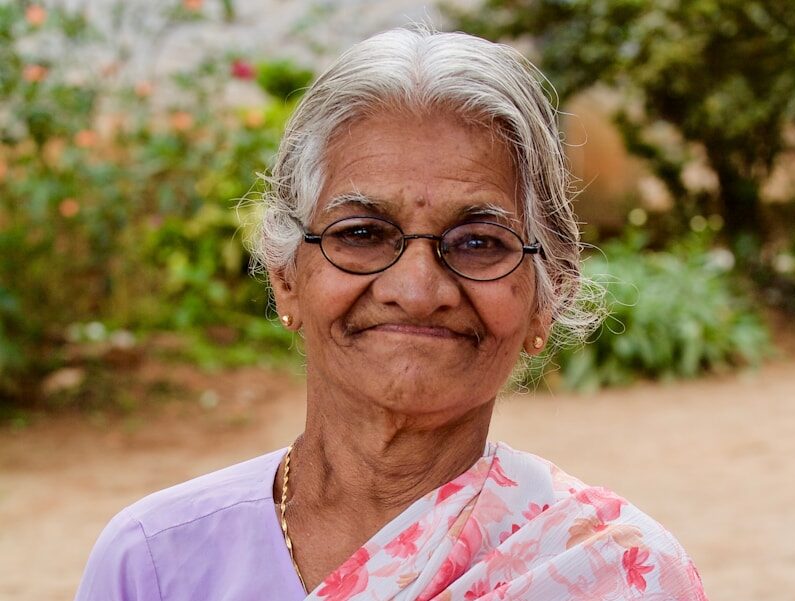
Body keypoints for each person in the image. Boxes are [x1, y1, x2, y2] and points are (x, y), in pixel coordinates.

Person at [75, 27, 707, 600]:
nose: (417, 287)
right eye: (362, 233)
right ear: (287, 276)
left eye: (480, 242)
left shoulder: (619, 575)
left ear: (548, 295)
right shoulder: (155, 563)